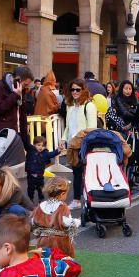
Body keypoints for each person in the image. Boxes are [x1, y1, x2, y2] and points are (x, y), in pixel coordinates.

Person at [60, 79, 97, 208]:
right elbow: (68, 126)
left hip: (84, 144)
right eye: (72, 89)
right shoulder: (70, 105)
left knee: (86, 173)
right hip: (73, 145)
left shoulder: (89, 105)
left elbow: (92, 129)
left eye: (78, 89)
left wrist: (85, 144)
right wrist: (63, 139)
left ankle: (88, 200)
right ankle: (76, 201)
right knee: (76, 173)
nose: (75, 92)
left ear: (83, 90)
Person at [31, 177, 80, 257]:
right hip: (59, 242)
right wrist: (76, 222)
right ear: (62, 194)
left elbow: (33, 222)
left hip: (43, 240)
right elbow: (66, 223)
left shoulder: (41, 205)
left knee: (43, 260)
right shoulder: (62, 207)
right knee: (60, 260)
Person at [0, 65, 34, 142]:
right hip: (2, 136)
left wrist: (26, 141)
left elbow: (22, 115)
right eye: (25, 84)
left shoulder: (20, 90)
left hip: (15, 134)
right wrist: (14, 95)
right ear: (17, 80)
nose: (26, 87)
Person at [25, 136, 61, 203]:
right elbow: (25, 141)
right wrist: (23, 129)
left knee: (41, 188)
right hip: (31, 176)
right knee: (31, 188)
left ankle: (41, 200)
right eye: (38, 145)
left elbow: (51, 154)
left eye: (43, 145)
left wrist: (58, 150)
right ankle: (30, 199)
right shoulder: (31, 150)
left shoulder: (45, 153)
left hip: (40, 176)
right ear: (34, 145)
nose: (41, 147)